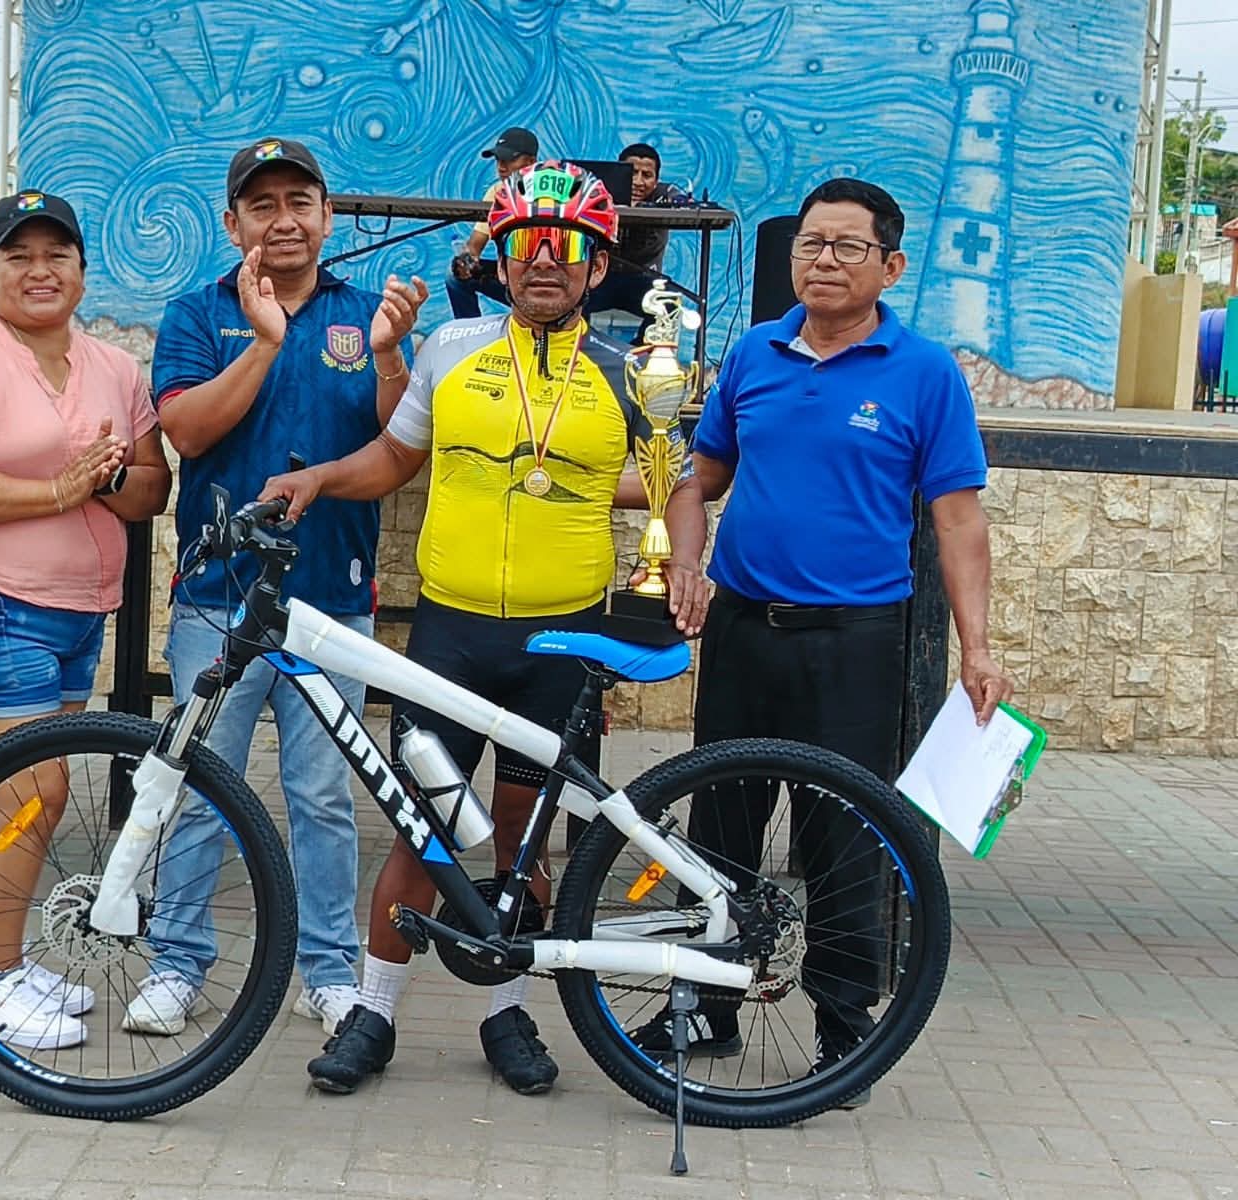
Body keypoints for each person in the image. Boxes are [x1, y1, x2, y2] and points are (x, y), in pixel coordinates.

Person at [260, 160, 708, 1098]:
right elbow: (394, 456)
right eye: (525, 245)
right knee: (421, 828)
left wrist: (684, 560)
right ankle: (373, 1013)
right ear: (500, 262)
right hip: (452, 636)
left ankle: (507, 1013)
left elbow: (677, 482)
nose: (544, 261)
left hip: (562, 640)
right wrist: (320, 478)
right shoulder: (450, 348)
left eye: (566, 247)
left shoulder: (632, 373)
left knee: (521, 835)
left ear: (596, 267)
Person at [655, 176, 1014, 1104]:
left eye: (848, 246)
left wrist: (978, 647)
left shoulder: (924, 372)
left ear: (890, 267)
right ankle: (706, 1006)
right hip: (744, 630)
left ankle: (844, 1028)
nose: (822, 260)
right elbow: (698, 478)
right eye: (811, 243)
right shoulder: (754, 354)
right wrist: (685, 560)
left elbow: (959, 520)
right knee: (720, 826)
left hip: (855, 643)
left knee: (843, 836)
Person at [125, 137, 428, 1041]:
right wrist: (265, 342)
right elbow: (187, 430)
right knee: (195, 784)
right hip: (219, 597)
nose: (284, 220)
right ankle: (179, 962)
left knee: (324, 796)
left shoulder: (365, 315)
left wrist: (391, 357)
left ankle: (327, 970)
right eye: (263, 205)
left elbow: (398, 446)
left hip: (332, 600)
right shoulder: (196, 313)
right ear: (234, 224)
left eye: (301, 201)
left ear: (328, 216)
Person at [0, 189, 173, 1050]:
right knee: (30, 788)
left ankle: (7, 960)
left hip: (75, 611)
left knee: (34, 790)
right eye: (17, 256)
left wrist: (104, 479)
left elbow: (150, 488)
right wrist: (57, 490)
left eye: (57, 254)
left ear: (82, 271)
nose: (39, 270)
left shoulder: (116, 368)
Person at [588, 142, 692, 332]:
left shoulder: (664, 194)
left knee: (670, 301)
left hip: (643, 281)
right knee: (574, 294)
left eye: (647, 175)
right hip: (602, 279)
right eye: (633, 173)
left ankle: (644, 347)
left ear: (656, 180)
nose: (638, 181)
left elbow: (683, 200)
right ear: (619, 174)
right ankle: (583, 343)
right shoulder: (599, 195)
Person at [445, 126, 539, 318]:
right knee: (454, 277)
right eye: (498, 160)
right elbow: (475, 246)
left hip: (548, 274)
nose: (501, 167)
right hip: (511, 274)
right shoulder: (497, 192)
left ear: (531, 162)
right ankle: (469, 332)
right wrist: (466, 261)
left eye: (509, 160)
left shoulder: (553, 193)